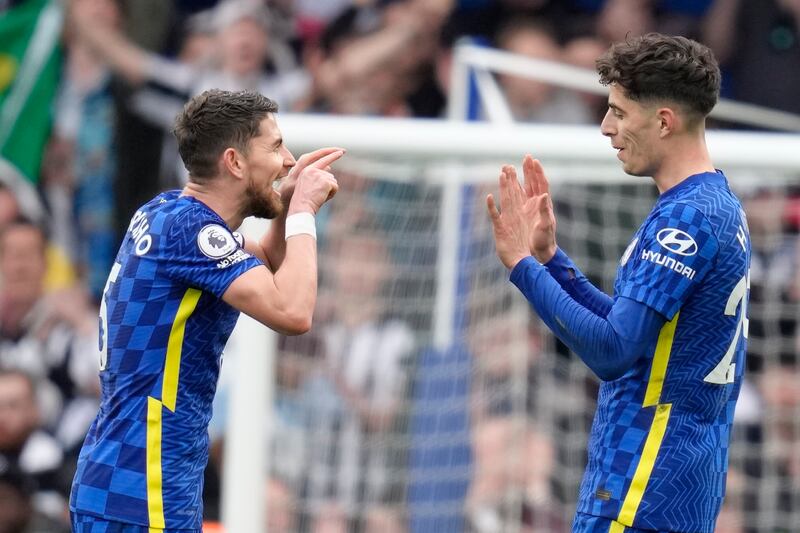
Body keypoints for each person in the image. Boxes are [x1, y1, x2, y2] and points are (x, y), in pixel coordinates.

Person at [487, 33, 751, 533]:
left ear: (664, 122)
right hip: (683, 482)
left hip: (643, 483)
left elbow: (613, 351)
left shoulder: (684, 221)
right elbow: (636, 328)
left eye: (618, 112)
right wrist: (550, 260)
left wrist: (521, 265)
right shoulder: (716, 205)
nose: (606, 128)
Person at [69, 89, 343, 532]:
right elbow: (293, 311)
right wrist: (305, 213)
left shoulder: (168, 213)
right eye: (275, 147)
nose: (289, 160)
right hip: (145, 486)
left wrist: (287, 207)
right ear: (234, 162)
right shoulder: (191, 231)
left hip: (129, 480)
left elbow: (269, 265)